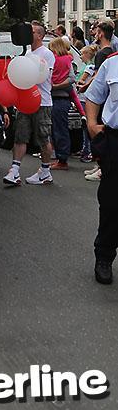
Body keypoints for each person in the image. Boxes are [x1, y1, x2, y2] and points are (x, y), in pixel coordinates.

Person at [3, 21, 56, 186]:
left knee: (43, 137)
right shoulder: (26, 54)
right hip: (24, 102)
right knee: (20, 136)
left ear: (40, 35)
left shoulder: (47, 54)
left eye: (32, 32)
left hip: (42, 102)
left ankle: (45, 172)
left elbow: (45, 77)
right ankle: (14, 171)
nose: (28, 34)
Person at [84, 51, 118, 284]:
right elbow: (93, 97)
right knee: (112, 202)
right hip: (115, 140)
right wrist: (92, 123)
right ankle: (104, 257)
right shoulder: (112, 63)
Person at [49, 36, 74, 170]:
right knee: (59, 129)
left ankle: (62, 159)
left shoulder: (54, 61)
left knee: (58, 130)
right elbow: (71, 78)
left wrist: (54, 85)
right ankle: (61, 157)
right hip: (64, 98)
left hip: (57, 98)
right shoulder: (68, 60)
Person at [76, 45, 98, 168]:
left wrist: (77, 82)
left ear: (87, 55)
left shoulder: (89, 67)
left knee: (85, 126)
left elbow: (81, 81)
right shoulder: (90, 67)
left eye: (82, 54)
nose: (80, 56)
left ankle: (87, 151)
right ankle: (87, 149)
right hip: (86, 99)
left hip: (84, 99)